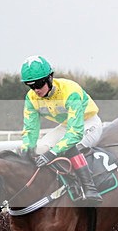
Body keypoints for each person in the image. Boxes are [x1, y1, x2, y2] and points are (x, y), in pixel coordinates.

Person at [20, 55, 103, 204]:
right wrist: (27, 148)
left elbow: (76, 132)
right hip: (66, 126)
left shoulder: (70, 90)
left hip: (88, 124)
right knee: (38, 149)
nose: (36, 90)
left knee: (67, 148)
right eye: (30, 85)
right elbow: (30, 129)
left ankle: (89, 188)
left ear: (50, 77)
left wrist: (53, 153)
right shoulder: (31, 98)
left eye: (39, 84)